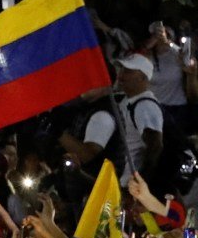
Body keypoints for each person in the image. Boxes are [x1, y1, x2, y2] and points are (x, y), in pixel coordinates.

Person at [65, 51, 164, 182]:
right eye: (122, 69)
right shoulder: (126, 100)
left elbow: (155, 146)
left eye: (128, 71)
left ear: (143, 78)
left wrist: (139, 182)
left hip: (127, 183)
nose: (121, 76)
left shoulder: (144, 106)